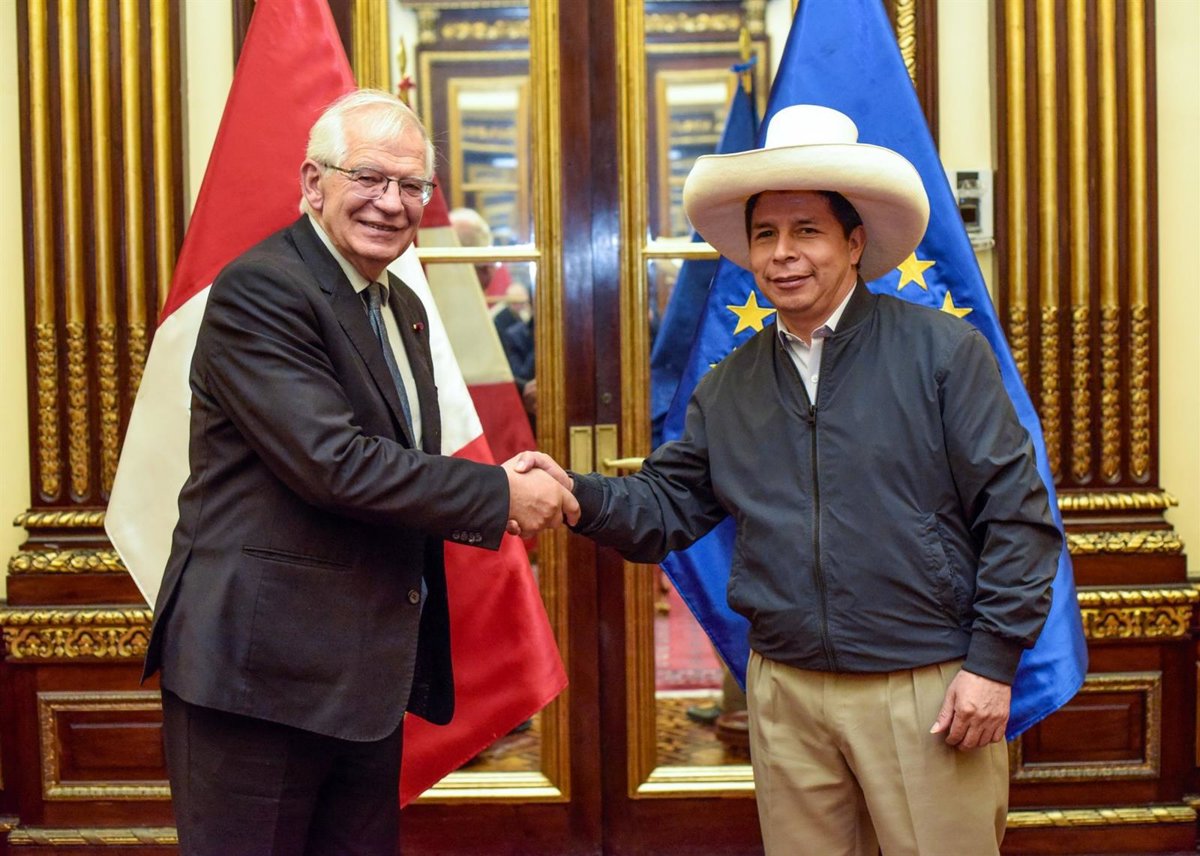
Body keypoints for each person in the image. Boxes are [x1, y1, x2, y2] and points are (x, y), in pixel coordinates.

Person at [516, 104, 1061, 855]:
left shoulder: (942, 353)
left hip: (926, 685)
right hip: (785, 692)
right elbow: (667, 505)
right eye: (765, 234)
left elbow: (1018, 517)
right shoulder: (729, 384)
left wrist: (992, 664)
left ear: (854, 243)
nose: (783, 254)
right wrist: (572, 494)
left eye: (807, 230)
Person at [142, 89, 576, 856]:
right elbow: (334, 464)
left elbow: (393, 453)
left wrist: (495, 476)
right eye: (369, 177)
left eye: (412, 185)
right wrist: (499, 495)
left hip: (360, 673)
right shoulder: (264, 289)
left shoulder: (400, 302)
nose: (391, 202)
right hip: (260, 676)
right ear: (314, 183)